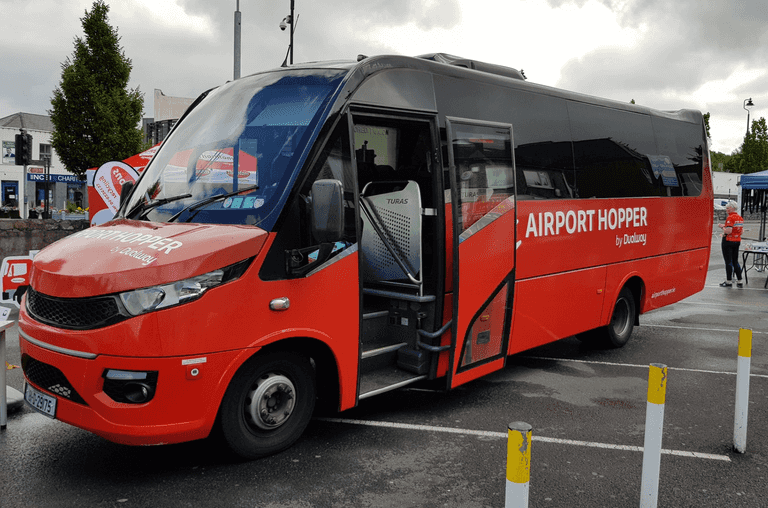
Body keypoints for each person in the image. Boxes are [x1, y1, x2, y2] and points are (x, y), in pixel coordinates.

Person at [717, 200, 744, 288]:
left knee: (728, 261)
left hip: (728, 241)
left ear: (732, 208)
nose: (726, 210)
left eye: (728, 208)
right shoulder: (740, 218)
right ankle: (739, 280)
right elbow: (742, 231)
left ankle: (728, 281)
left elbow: (728, 231)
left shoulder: (730, 218)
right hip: (737, 240)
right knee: (735, 260)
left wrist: (722, 227)